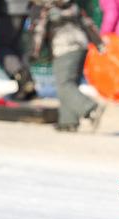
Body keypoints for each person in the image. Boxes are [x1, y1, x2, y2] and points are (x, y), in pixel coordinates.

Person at [28, 0, 104, 132]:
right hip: (81, 45)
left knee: (64, 85)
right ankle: (68, 121)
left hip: (63, 47)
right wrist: (99, 43)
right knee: (70, 83)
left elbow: (39, 30)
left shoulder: (45, 8)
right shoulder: (71, 4)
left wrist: (34, 52)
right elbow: (88, 23)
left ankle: (90, 108)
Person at [0, 0, 37, 101]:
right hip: (24, 6)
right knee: (13, 45)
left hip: (10, 7)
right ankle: (26, 86)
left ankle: (23, 78)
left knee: (1, 45)